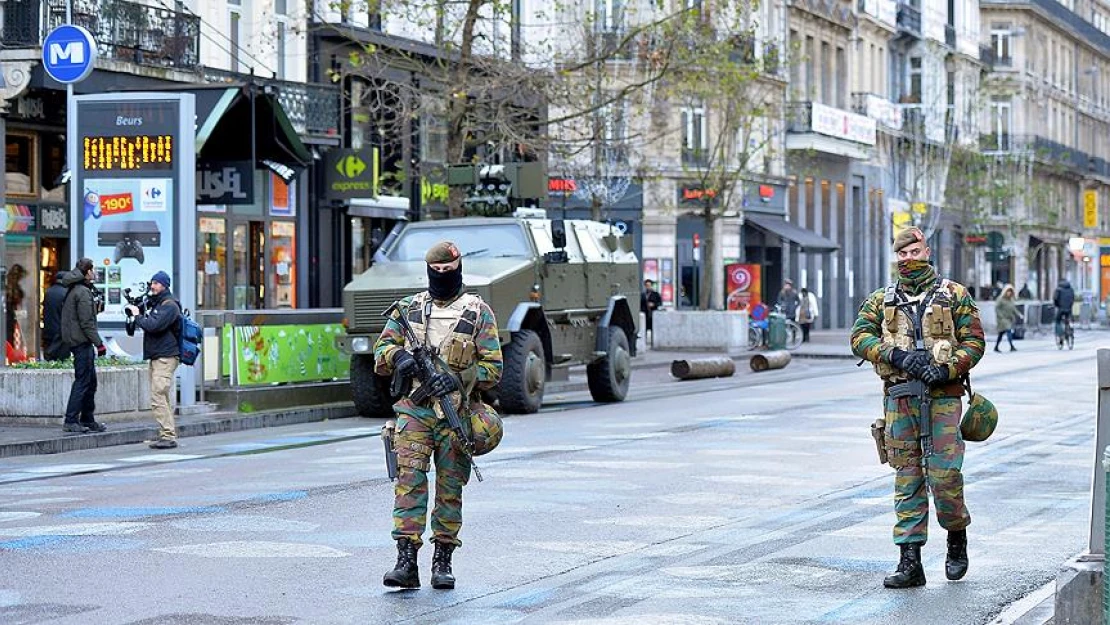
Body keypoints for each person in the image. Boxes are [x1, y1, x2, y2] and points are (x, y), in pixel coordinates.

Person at [850, 227, 985, 589]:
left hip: (942, 398)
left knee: (944, 476)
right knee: (907, 477)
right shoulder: (882, 298)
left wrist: (946, 368)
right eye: (902, 254)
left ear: (927, 251)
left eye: (914, 251)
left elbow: (974, 341)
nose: (908, 259)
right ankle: (910, 562)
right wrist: (893, 354)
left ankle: (956, 538)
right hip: (899, 398)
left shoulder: (954, 294)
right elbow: (860, 336)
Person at [374, 241, 503, 590]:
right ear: (428, 270)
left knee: (449, 487)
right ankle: (405, 560)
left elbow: (494, 367)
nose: (442, 276)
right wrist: (397, 358)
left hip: (455, 413)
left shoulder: (478, 312)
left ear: (459, 268)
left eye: (448, 271)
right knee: (409, 482)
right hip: (415, 410)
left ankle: (443, 559)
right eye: (436, 271)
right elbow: (381, 350)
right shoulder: (409, 308)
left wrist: (459, 377)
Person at [125, 271, 182, 449]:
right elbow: (143, 324)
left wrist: (137, 315)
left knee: (157, 396)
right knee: (162, 396)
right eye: (152, 283)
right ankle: (167, 433)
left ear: (165, 285)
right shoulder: (156, 303)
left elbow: (153, 325)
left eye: (157, 283)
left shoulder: (169, 305)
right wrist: (136, 311)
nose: (153, 286)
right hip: (158, 356)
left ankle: (168, 436)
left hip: (166, 357)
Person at [59, 258, 107, 434]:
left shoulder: (76, 289)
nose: (94, 273)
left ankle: (87, 419)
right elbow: (87, 323)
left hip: (78, 341)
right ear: (87, 272)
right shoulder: (82, 292)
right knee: (83, 381)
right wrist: (99, 344)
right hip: (82, 343)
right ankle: (71, 420)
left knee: (90, 382)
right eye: (92, 270)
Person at [41, 271, 69, 361]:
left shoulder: (48, 292)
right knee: (61, 361)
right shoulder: (66, 293)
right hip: (61, 333)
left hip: (48, 331)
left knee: (50, 359)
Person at [5, 263, 27, 362]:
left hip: (11, 316)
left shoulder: (10, 287)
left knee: (11, 337)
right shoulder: (12, 288)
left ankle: (10, 357)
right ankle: (11, 357)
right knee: (10, 337)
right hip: (10, 316)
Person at [994, 284, 1022, 353]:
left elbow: (1014, 308)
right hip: (1002, 319)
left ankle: (996, 347)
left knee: (1001, 333)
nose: (1009, 293)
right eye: (1008, 291)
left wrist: (1019, 314)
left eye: (1011, 291)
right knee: (1008, 330)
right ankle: (1011, 346)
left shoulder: (1011, 300)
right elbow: (997, 308)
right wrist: (1000, 316)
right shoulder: (1000, 299)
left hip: (1009, 318)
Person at [641, 279, 663, 346]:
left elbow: (660, 303)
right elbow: (641, 304)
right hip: (646, 314)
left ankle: (653, 343)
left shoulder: (656, 294)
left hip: (653, 314)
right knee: (644, 329)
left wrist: (653, 304)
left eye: (649, 285)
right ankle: (644, 343)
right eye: (647, 285)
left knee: (653, 329)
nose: (648, 287)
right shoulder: (643, 295)